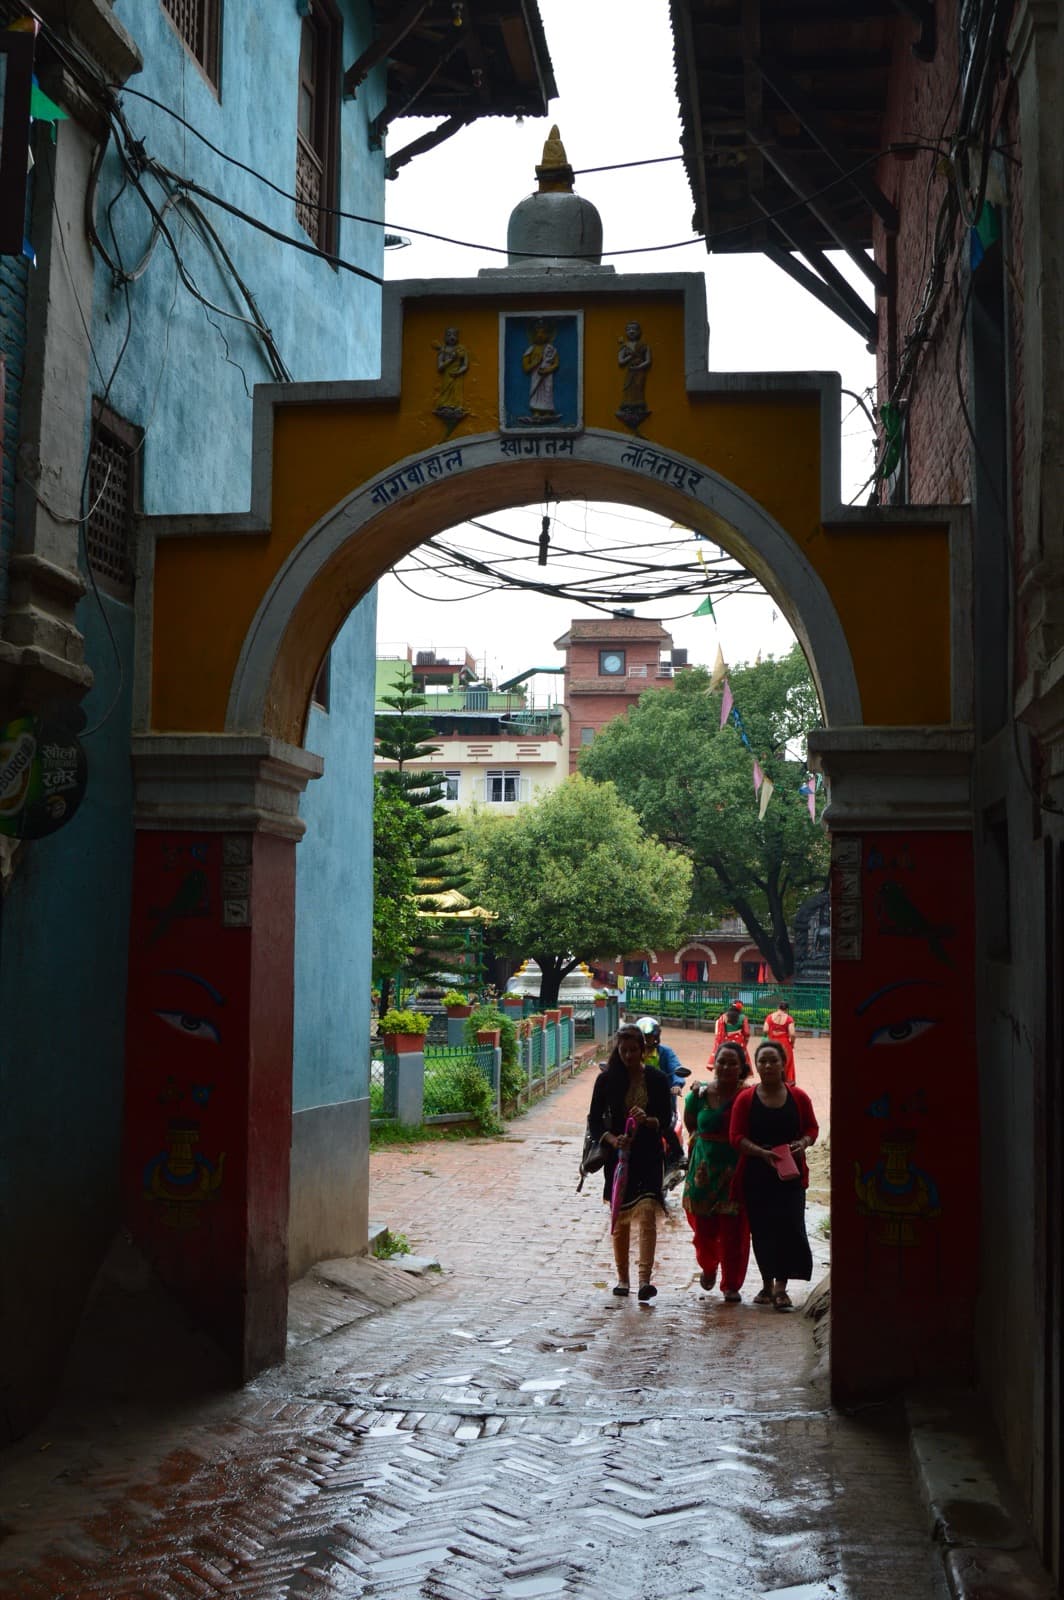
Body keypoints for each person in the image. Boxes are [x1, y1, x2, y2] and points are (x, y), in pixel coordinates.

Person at [729, 1039, 818, 1311]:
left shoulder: (799, 1097)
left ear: (783, 1064)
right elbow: (736, 1137)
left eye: (773, 1060)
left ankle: (782, 1288)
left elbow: (812, 1130)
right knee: (763, 1230)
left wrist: (801, 1144)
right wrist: (761, 1153)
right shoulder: (745, 1099)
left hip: (790, 1176)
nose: (767, 1065)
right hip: (757, 1175)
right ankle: (767, 1285)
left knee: (790, 1228)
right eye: (762, 1061)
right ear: (755, 1066)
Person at [587, 1022, 672, 1300]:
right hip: (618, 1159)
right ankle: (623, 1279)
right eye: (623, 1051)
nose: (628, 1056)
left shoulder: (658, 1080)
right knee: (620, 1216)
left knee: (647, 1212)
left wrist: (648, 1120)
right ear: (617, 1050)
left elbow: (667, 1119)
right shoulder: (607, 1080)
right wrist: (612, 1140)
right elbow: (594, 1121)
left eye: (634, 1050)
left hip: (648, 1155)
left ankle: (645, 1279)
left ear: (643, 1050)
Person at [682, 1043, 751, 1302]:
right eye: (722, 1061)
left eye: (732, 1063)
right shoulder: (698, 1096)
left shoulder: (748, 1097)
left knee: (735, 1231)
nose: (725, 1067)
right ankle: (709, 1266)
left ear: (742, 1068)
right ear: (715, 1063)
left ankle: (731, 1284)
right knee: (704, 1230)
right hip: (703, 1172)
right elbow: (691, 1124)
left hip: (735, 1171)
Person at [763, 996, 797, 1085]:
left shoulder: (770, 1017)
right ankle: (787, 1081)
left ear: (778, 1007)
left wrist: (769, 1034)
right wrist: (792, 1043)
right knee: (787, 1061)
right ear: (786, 1009)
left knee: (771, 1060)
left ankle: (772, 1079)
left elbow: (765, 1030)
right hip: (785, 1043)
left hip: (772, 1042)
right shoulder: (789, 1019)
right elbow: (792, 1034)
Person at [714, 999, 751, 1071]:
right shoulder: (743, 1017)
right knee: (740, 1059)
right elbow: (747, 1032)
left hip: (726, 1041)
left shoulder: (723, 1016)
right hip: (739, 1041)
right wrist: (745, 1042)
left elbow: (718, 1032)